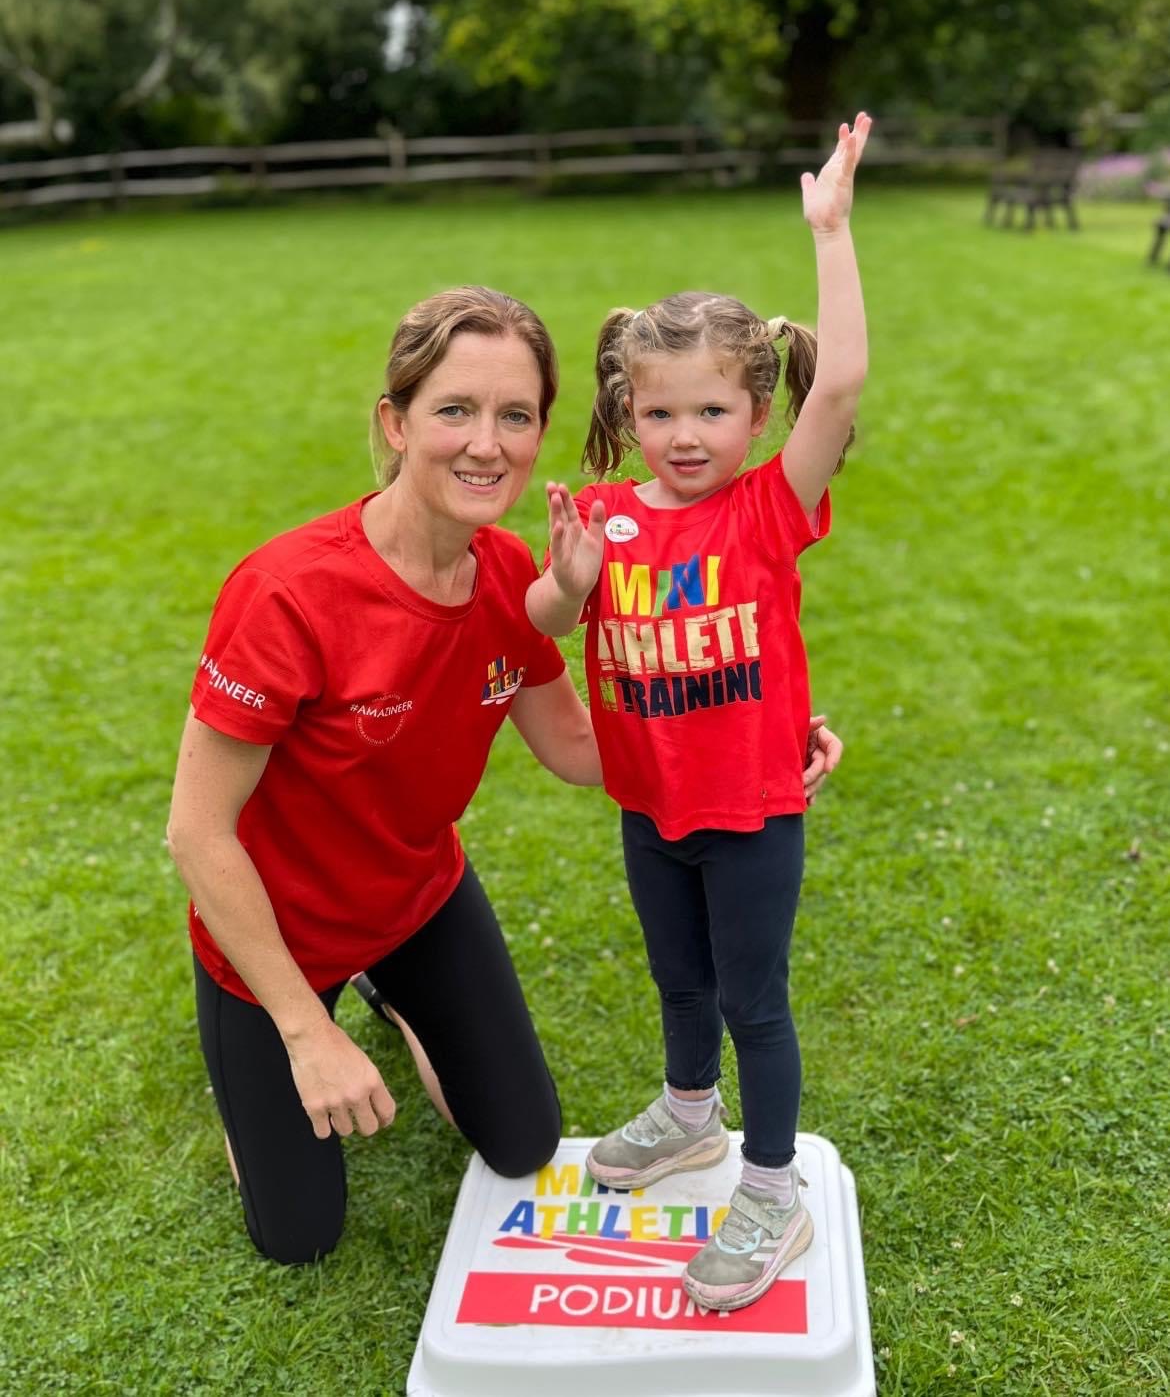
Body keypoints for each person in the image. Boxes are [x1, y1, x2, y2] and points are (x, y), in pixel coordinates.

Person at [168, 285, 844, 1267]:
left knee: (525, 1140)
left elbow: (579, 748)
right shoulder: (286, 590)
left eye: (515, 416)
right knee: (299, 1233)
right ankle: (282, 1040)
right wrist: (304, 1033)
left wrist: (751, 735)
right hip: (281, 929)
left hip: (418, 901)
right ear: (396, 423)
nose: (487, 445)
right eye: (455, 410)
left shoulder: (506, 573)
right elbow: (196, 833)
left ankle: (389, 994)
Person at [525, 114, 870, 1312]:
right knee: (678, 982)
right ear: (630, 412)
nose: (685, 437)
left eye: (712, 413)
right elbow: (543, 620)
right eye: (662, 414)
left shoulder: (768, 507)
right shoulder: (604, 517)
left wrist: (831, 231)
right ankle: (688, 1114)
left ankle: (771, 1191)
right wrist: (568, 582)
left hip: (753, 810)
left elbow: (847, 387)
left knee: (750, 1001)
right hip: (649, 804)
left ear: (756, 417)